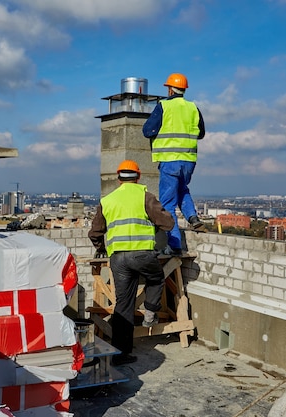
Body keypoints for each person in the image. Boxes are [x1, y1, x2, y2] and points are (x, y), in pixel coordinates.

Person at [88, 160, 175, 366]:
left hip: (118, 258)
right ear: (138, 176)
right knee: (156, 278)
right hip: (142, 255)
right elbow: (168, 223)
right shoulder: (145, 197)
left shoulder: (107, 200)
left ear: (118, 179)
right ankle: (150, 313)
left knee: (123, 306)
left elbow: (95, 232)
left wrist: (101, 248)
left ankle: (120, 354)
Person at [142, 72, 207, 256]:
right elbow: (200, 133)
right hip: (188, 161)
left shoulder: (163, 106)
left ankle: (175, 244)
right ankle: (193, 218)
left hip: (169, 160)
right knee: (182, 190)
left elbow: (147, 131)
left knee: (167, 203)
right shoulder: (193, 107)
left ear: (170, 89)